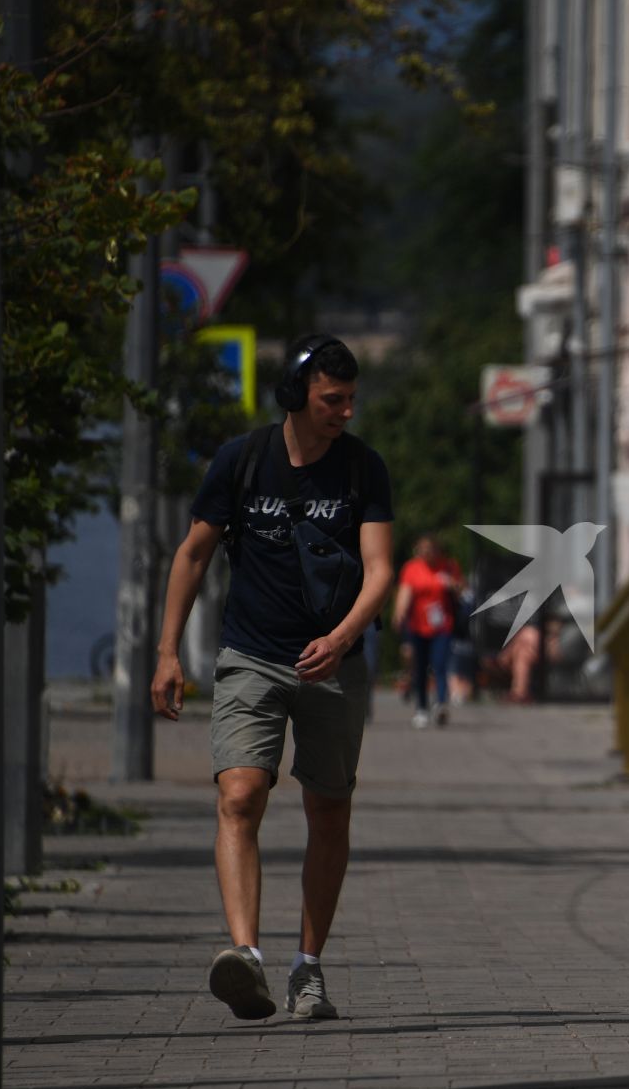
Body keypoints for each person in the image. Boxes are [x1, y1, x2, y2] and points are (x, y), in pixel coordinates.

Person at [151, 335, 394, 1022]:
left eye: (350, 400)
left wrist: (343, 637)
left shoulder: (361, 470)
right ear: (295, 395)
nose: (344, 412)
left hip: (334, 665)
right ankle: (246, 959)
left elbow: (380, 571)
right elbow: (194, 554)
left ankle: (307, 970)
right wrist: (168, 651)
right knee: (240, 796)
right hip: (252, 654)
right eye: (330, 400)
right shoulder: (242, 460)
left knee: (328, 809)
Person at [392, 535, 455, 728]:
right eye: (423, 549)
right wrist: (399, 612)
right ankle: (421, 708)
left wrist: (452, 584)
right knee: (419, 668)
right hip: (417, 626)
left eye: (431, 549)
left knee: (440, 664)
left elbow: (463, 591)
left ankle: (441, 704)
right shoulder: (412, 568)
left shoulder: (448, 566)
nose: (427, 553)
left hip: (442, 626)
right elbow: (405, 591)